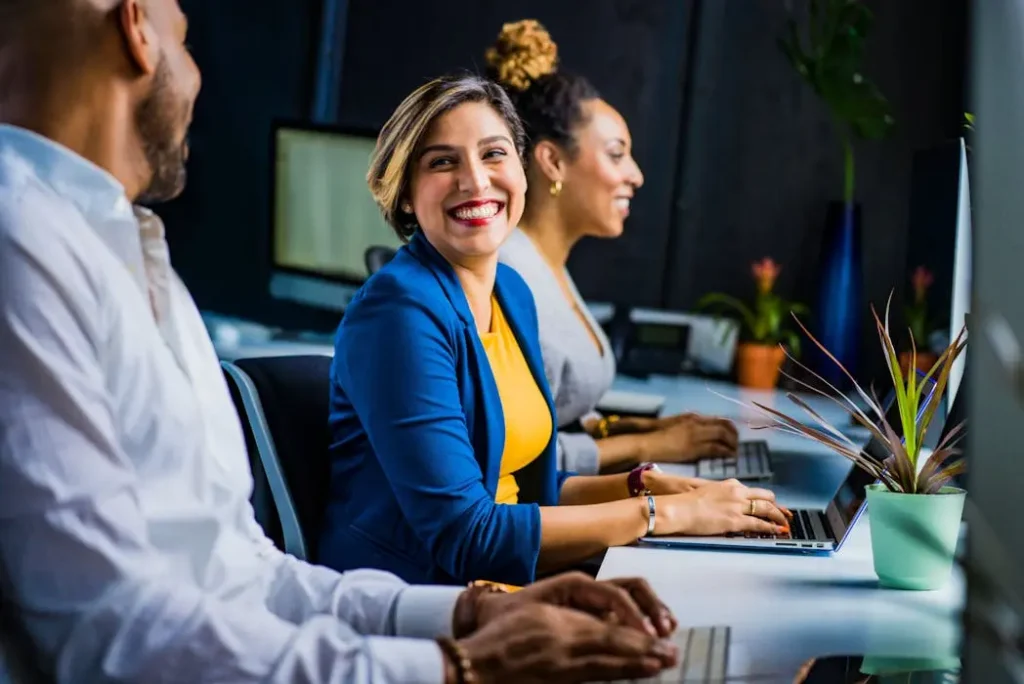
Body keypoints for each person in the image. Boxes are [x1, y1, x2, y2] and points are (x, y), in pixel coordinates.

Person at [0, 1, 683, 682]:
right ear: (136, 28)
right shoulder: (22, 245)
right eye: (186, 38)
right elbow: (110, 632)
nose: (200, 76)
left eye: (492, 154)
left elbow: (246, 575)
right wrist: (455, 665)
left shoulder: (130, 253)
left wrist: (467, 620)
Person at [321, 72, 791, 589]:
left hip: (507, 586)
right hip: (419, 601)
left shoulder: (512, 293)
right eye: (442, 162)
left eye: (494, 154)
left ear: (523, 171)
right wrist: (664, 514)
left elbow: (528, 492)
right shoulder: (398, 313)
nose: (475, 181)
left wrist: (642, 486)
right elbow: (466, 534)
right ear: (406, 194)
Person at [490, 19, 742, 475]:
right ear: (552, 160)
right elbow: (516, 461)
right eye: (615, 153)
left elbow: (555, 415)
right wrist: (649, 448)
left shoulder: (548, 266)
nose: (636, 175)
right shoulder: (510, 278)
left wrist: (634, 430)